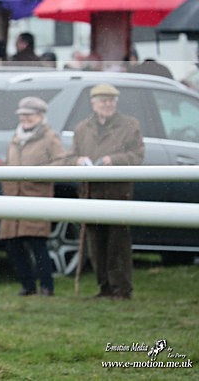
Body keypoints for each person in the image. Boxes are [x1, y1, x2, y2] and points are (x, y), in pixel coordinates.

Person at [63, 84, 144, 300]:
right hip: (90, 192)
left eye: (111, 101)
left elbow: (137, 156)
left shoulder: (129, 126)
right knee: (96, 244)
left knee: (118, 244)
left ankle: (122, 290)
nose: (107, 104)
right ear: (93, 103)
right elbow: (69, 158)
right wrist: (78, 161)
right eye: (102, 101)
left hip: (118, 192)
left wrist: (114, 160)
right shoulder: (82, 128)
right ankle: (104, 288)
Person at [0, 96, 63, 296]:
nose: (25, 118)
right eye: (22, 115)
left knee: (37, 243)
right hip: (13, 198)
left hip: (36, 196)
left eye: (29, 115)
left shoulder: (50, 137)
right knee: (13, 244)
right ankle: (28, 285)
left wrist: (37, 174)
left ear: (40, 116)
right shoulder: (15, 137)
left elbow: (61, 162)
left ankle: (46, 286)